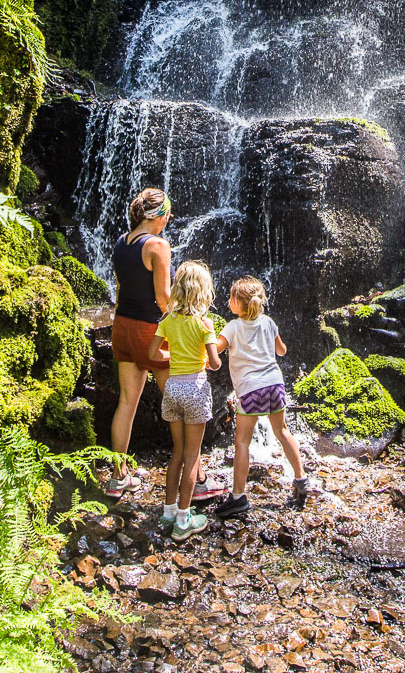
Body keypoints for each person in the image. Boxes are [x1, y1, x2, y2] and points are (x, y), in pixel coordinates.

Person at [107, 188, 221, 503]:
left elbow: (123, 286)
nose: (169, 220)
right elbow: (163, 298)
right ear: (160, 215)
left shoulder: (122, 241)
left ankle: (118, 478)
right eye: (167, 214)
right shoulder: (158, 245)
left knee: (126, 404)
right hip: (148, 330)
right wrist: (185, 327)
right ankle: (196, 480)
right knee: (186, 407)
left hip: (122, 328)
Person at [212, 276, 309, 519]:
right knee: (282, 431)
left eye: (230, 298)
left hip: (250, 389)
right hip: (275, 385)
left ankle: (237, 497)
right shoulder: (268, 322)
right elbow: (282, 350)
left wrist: (204, 335)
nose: (228, 301)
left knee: (242, 441)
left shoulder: (232, 327)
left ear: (237, 303)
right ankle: (301, 479)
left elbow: (216, 349)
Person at [148, 260, 221, 541]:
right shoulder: (204, 324)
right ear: (203, 292)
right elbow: (214, 363)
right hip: (195, 388)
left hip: (173, 389)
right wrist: (205, 358)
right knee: (192, 457)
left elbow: (154, 354)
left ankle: (167, 511)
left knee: (177, 453)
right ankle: (183, 519)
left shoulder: (167, 321)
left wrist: (175, 357)